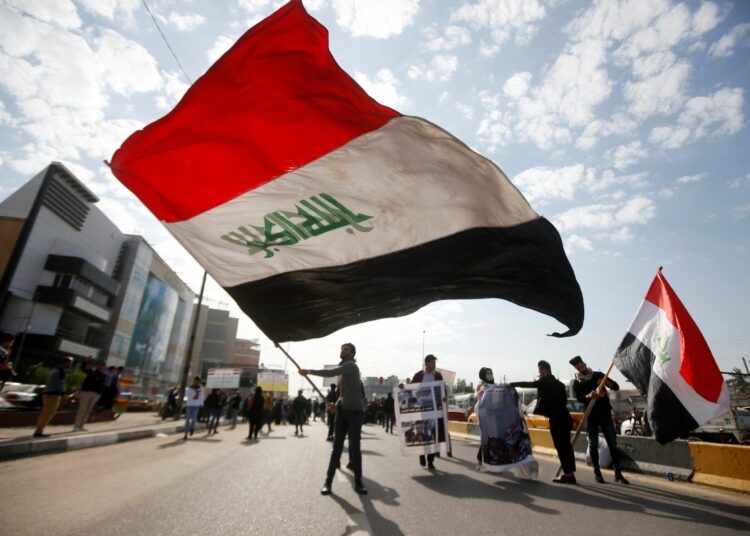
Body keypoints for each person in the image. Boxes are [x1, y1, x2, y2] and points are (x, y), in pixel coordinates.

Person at [300, 342, 367, 496]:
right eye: (342, 349)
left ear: (352, 353)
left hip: (355, 413)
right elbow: (343, 395)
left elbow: (330, 372)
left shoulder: (351, 366)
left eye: (346, 350)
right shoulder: (343, 370)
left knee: (355, 448)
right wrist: (336, 404)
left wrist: (309, 371)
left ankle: (358, 482)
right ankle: (328, 482)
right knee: (336, 448)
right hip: (342, 413)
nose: (342, 351)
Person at [511, 360, 577, 484]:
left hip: (556, 420)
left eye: (540, 371)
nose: (539, 374)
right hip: (565, 418)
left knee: (561, 448)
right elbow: (564, 402)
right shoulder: (560, 385)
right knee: (567, 447)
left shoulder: (544, 382)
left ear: (544, 369)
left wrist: (512, 384)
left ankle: (568, 475)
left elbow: (527, 384)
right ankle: (570, 473)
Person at [570, 355, 629, 484]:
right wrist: (589, 396)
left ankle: (618, 473)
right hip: (591, 415)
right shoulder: (577, 382)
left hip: (605, 414)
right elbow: (579, 398)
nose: (581, 369)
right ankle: (597, 473)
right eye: (578, 368)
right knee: (593, 444)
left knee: (612, 443)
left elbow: (615, 387)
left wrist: (605, 382)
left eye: (581, 366)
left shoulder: (598, 375)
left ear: (585, 364)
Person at [411, 354, 445, 470]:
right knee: (422, 433)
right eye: (432, 363)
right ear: (426, 363)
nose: (434, 365)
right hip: (421, 409)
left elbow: (442, 390)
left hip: (434, 409)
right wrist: (402, 387)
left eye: (435, 363)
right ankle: (422, 455)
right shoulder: (419, 375)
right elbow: (410, 388)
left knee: (433, 434)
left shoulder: (438, 376)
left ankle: (430, 460)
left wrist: (444, 397)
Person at [33, 356, 74, 438]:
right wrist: (64, 395)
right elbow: (60, 384)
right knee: (48, 414)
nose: (71, 365)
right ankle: (38, 432)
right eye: (71, 363)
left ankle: (38, 430)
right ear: (67, 362)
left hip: (47, 394)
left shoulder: (55, 369)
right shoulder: (61, 371)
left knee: (44, 413)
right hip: (53, 395)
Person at [73, 359, 105, 431]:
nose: (101, 367)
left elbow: (101, 385)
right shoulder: (91, 372)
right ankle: (76, 426)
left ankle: (82, 426)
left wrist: (99, 395)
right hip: (86, 392)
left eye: (103, 365)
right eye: (100, 365)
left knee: (88, 410)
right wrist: (85, 361)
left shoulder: (103, 375)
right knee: (82, 409)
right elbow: (83, 368)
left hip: (95, 394)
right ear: (97, 366)